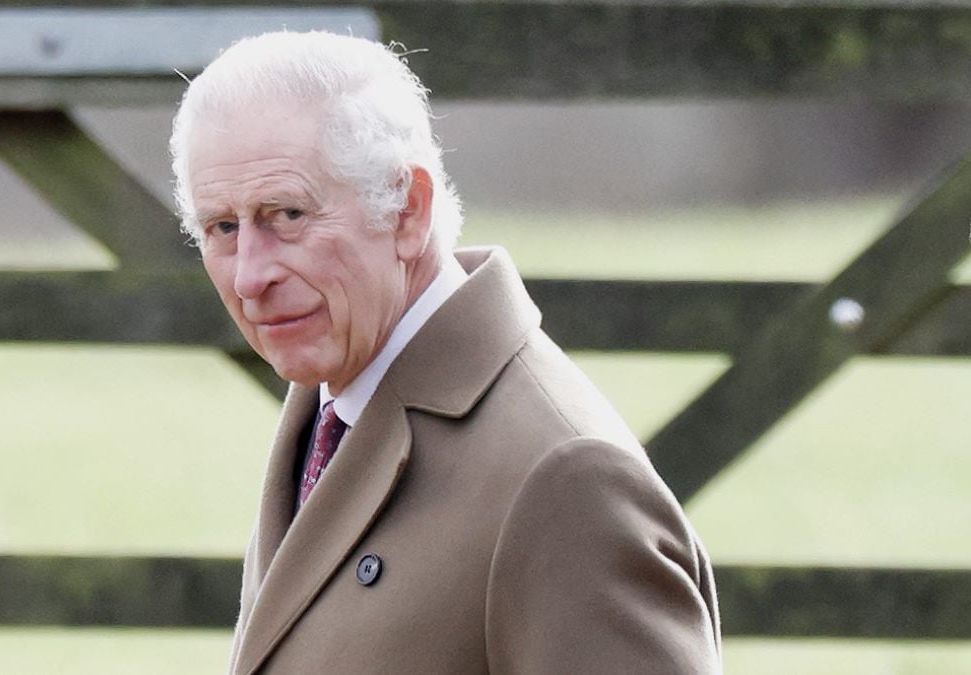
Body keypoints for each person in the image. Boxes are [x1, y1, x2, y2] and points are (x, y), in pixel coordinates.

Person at [169, 30, 722, 674]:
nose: (248, 276)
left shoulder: (568, 480)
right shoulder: (333, 402)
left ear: (407, 210)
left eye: (288, 215)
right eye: (223, 228)